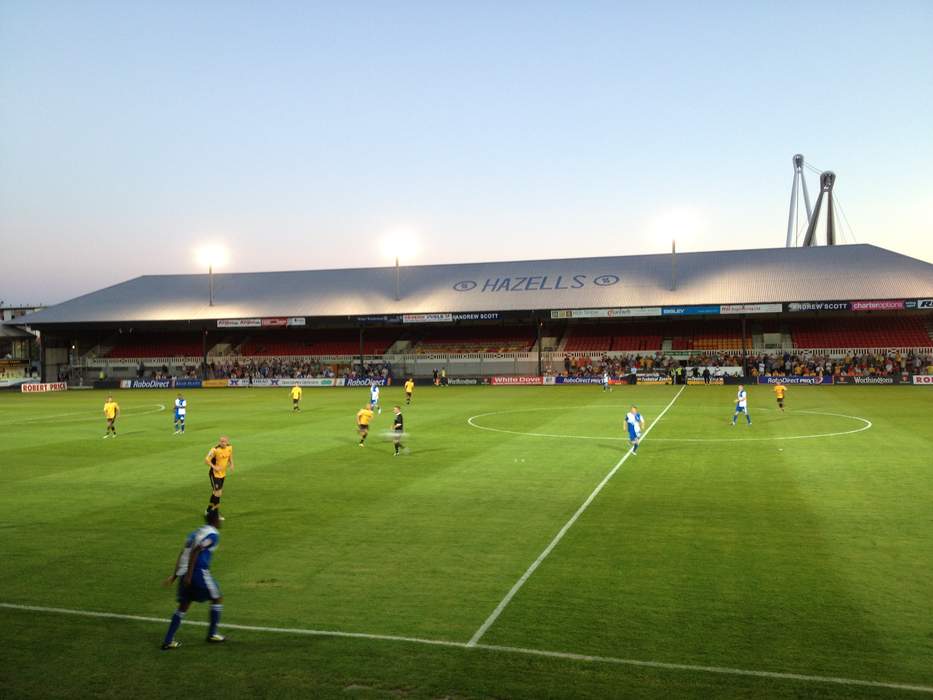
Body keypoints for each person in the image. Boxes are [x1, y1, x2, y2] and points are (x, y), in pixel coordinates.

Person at [161, 509, 225, 649]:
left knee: (183, 606)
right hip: (197, 573)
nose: (221, 521)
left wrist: (175, 575)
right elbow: (196, 550)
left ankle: (168, 640)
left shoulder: (195, 532)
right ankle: (212, 634)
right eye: (220, 518)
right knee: (218, 597)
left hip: (185, 573)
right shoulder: (213, 535)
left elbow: (183, 553)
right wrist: (190, 575)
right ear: (214, 520)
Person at [204, 436, 234, 516]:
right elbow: (206, 460)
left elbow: (230, 456)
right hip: (214, 474)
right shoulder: (214, 450)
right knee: (218, 493)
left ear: (227, 442)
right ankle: (216, 513)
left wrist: (231, 464)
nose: (222, 443)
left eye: (224, 441)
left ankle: (208, 510)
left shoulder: (229, 447)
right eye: (221, 441)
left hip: (222, 474)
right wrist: (214, 467)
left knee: (215, 493)